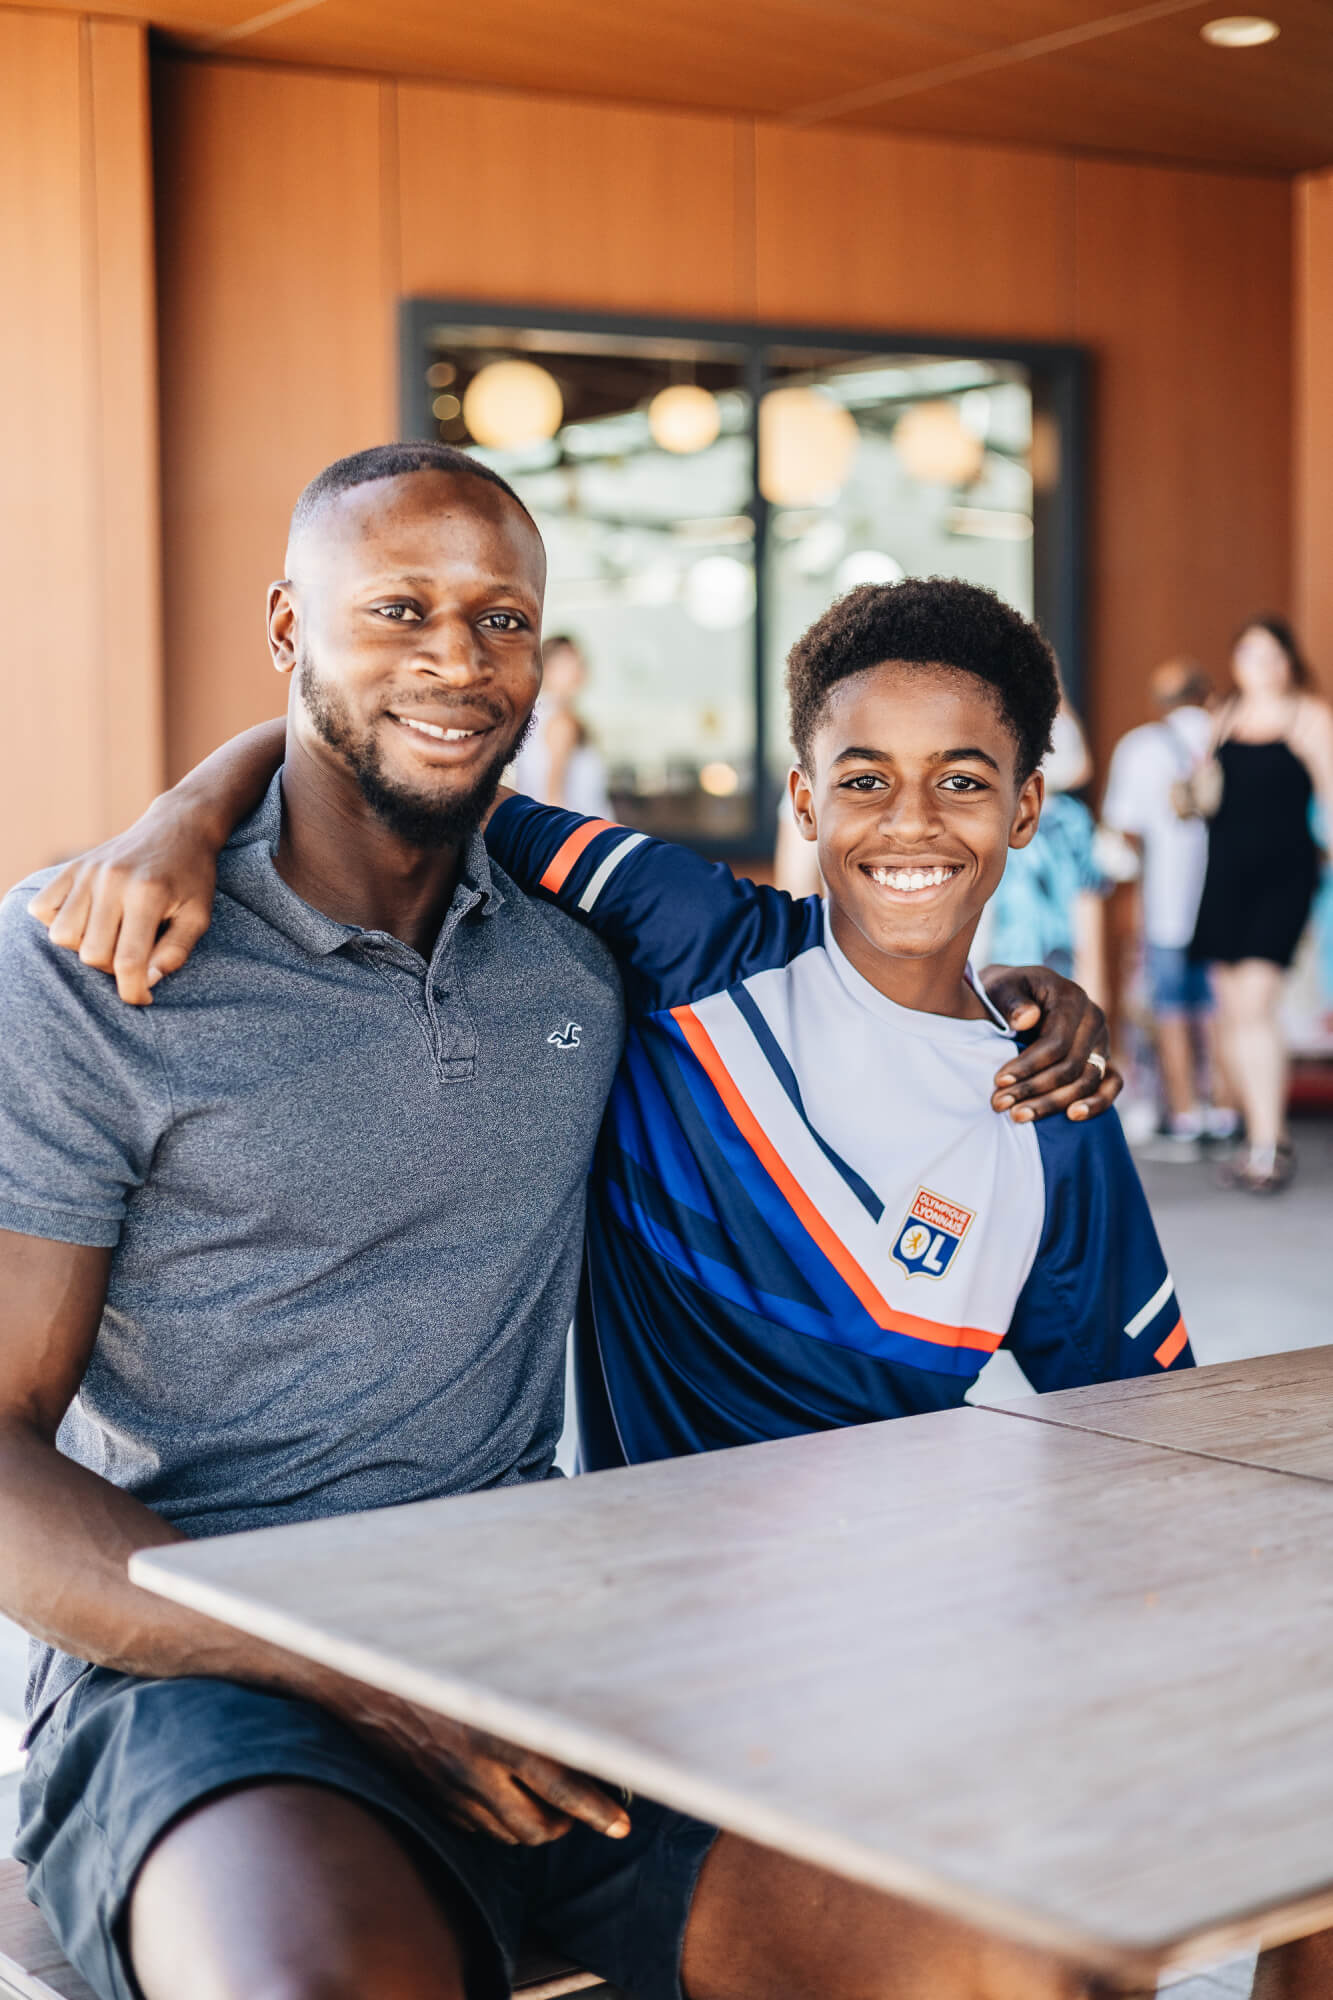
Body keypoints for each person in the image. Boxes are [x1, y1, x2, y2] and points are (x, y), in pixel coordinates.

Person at [5, 444, 1121, 2000]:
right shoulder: (92, 959)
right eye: (398, 609)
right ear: (286, 628)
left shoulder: (583, 965)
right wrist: (369, 1689)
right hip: (200, 1665)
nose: (457, 661)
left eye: (502, 619)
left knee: (1033, 1954)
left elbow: (862, 956)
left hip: (543, 1635)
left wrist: (1007, 1000)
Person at [38, 559, 1182, 1474]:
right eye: (864, 779)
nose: (911, 822)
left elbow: (1149, 1442)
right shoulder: (687, 935)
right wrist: (184, 811)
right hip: (646, 1634)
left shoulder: (1051, 1106)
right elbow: (397, 764)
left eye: (965, 781)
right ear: (803, 800)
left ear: (1028, 804)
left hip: (913, 1628)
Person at [1189, 616, 1333, 1192]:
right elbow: (1206, 796)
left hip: (1285, 874)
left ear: (1288, 661)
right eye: (1248, 651)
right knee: (1233, 1012)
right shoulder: (1222, 717)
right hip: (1225, 873)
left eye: (1270, 653)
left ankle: (1267, 1146)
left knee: (1254, 1006)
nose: (1259, 663)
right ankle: (1264, 1135)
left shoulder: (1310, 718)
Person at [1100, 657, 1236, 1149]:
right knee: (1224, 1005)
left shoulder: (1141, 747)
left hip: (1169, 902)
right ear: (1207, 692)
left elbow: (1124, 831)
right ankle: (1226, 1105)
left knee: (1173, 1005)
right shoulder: (1230, 738)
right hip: (1231, 898)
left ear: (1161, 701)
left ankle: (1184, 1113)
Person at [980, 697, 1107, 1006]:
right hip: (998, 971)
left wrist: (1095, 983)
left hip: (1053, 969)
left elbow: (1087, 901)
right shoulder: (991, 814)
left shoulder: (1068, 821)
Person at [508, 633, 612, 818]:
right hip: (581, 837)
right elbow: (553, 796)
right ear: (546, 670)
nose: (578, 670)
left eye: (579, 662)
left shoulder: (534, 717)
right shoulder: (561, 721)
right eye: (567, 663)